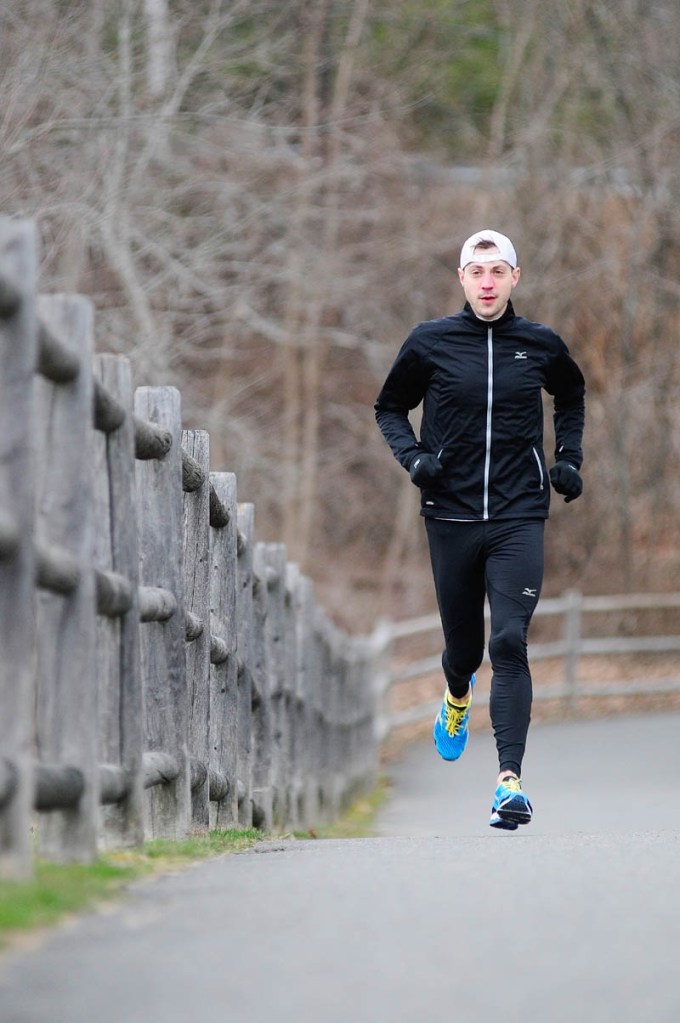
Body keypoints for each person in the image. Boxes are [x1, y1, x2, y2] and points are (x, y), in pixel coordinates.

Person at [374, 229, 585, 830]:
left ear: (515, 278)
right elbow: (389, 408)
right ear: (462, 279)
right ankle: (456, 694)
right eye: (476, 271)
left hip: (519, 514)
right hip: (451, 516)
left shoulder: (539, 345)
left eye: (498, 271)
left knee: (509, 641)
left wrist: (568, 458)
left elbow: (571, 394)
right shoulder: (430, 343)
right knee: (465, 651)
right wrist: (415, 459)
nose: (487, 282)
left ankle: (508, 782)